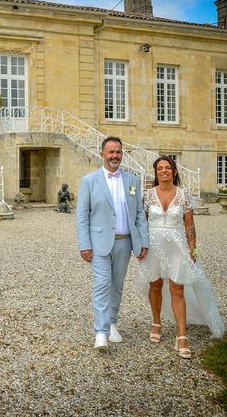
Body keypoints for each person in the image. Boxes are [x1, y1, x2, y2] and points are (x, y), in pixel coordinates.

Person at [138, 156, 225, 358]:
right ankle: (156, 322)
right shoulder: (147, 195)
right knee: (155, 284)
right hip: (153, 247)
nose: (164, 171)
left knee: (177, 288)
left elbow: (190, 225)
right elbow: (142, 223)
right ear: (156, 172)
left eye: (168, 168)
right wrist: (140, 247)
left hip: (178, 247)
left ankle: (182, 335)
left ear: (174, 172)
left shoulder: (184, 195)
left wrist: (193, 249)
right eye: (160, 168)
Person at [76, 136, 149, 351]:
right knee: (101, 285)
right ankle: (101, 332)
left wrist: (142, 241)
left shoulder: (132, 181)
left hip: (125, 243)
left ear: (122, 154)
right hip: (98, 244)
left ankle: (112, 322)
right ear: (102, 154)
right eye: (110, 152)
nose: (114, 156)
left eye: (118, 152)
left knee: (117, 286)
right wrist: (84, 244)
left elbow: (138, 215)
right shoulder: (89, 181)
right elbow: (82, 216)